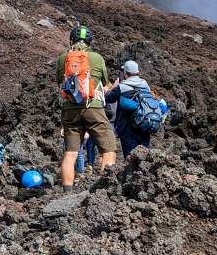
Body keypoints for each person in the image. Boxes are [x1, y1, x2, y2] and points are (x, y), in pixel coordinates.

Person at [57, 25, 117, 192]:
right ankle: (104, 192)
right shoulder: (97, 58)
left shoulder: (64, 58)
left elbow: (59, 82)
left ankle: (67, 194)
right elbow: (104, 82)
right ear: (89, 42)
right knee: (109, 150)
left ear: (71, 40)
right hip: (93, 108)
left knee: (70, 154)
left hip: (70, 110)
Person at [104, 60, 157, 155]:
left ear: (125, 73)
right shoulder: (145, 85)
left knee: (130, 159)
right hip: (145, 125)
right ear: (138, 72)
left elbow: (108, 98)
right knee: (145, 158)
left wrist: (113, 87)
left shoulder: (122, 87)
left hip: (127, 128)